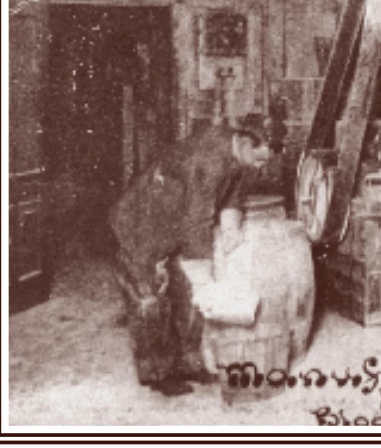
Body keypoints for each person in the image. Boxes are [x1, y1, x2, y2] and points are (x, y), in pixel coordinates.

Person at [109, 113, 272, 396]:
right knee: (150, 299)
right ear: (245, 143)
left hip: (174, 217)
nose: (260, 168)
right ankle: (157, 373)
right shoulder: (209, 159)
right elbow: (196, 223)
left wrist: (231, 222)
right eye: (258, 159)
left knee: (186, 295)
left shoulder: (234, 148)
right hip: (142, 224)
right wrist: (205, 276)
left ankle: (189, 363)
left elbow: (232, 191)